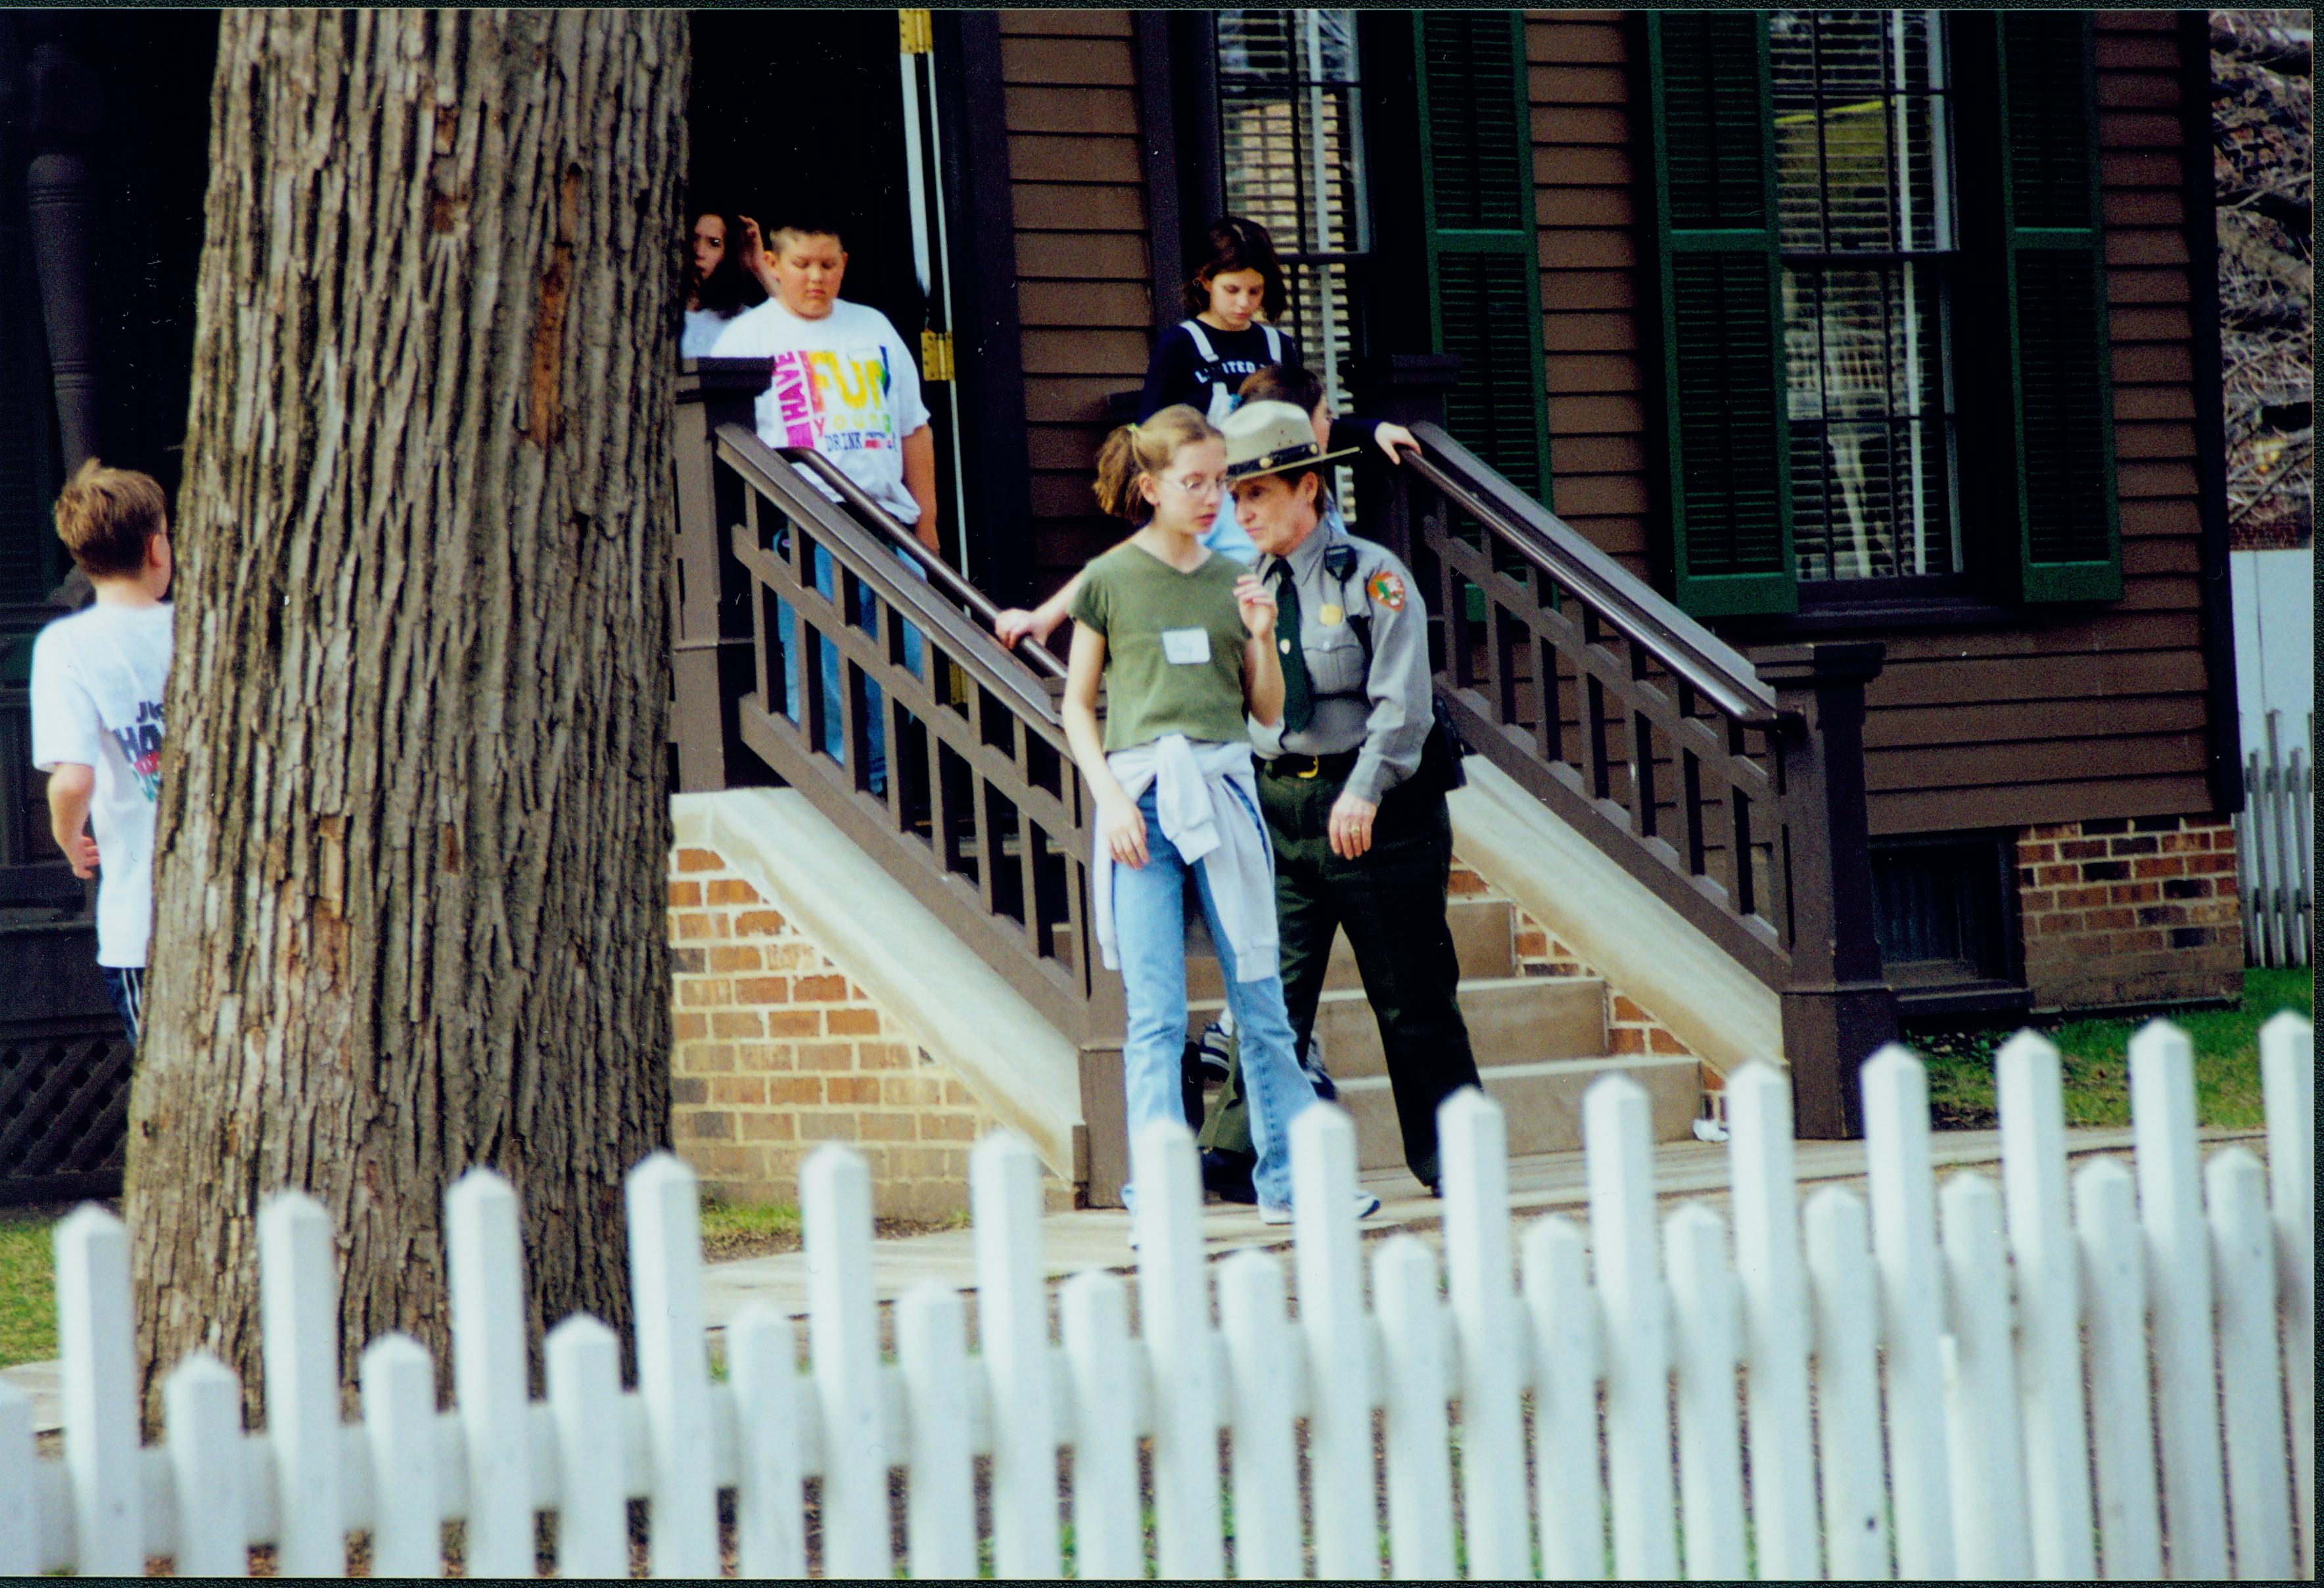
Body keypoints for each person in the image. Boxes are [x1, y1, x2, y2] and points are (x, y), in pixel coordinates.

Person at [1062, 404, 1378, 1227]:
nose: (1211, 499)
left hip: (1224, 793)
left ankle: (1291, 1183)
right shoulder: (1108, 578)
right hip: (1141, 802)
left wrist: (1263, 636)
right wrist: (1110, 800)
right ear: (1150, 486)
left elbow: (1264, 713)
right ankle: (1157, 1200)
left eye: (1221, 483)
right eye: (1194, 483)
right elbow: (1075, 705)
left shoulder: (1233, 581)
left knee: (1262, 1003)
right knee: (1156, 1015)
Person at [1199, 399, 1483, 1198]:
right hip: (1280, 812)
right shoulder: (1242, 586)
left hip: (1377, 813)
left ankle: (1453, 1157)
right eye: (1234, 494)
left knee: (1411, 995)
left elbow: (1404, 707)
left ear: (1307, 490)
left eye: (1258, 493)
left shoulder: (1371, 577)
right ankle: (1233, 1153)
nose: (1241, 510)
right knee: (1269, 991)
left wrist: (1362, 793)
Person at [709, 218, 937, 793]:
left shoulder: (873, 327)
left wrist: (928, 525)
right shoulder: (747, 338)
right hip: (805, 522)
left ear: (843, 264)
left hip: (887, 523)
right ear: (775, 265)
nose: (816, 277)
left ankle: (877, 777)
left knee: (911, 656)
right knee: (825, 666)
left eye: (828, 265)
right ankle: (842, 780)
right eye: (803, 264)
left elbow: (915, 429)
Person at [30, 460, 174, 1048]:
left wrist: (69, 839)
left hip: (140, 924)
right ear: (156, 547)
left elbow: (71, 781)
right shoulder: (202, 627)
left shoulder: (67, 644)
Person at [678, 208, 764, 357]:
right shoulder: (660, 312)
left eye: (714, 243)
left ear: (726, 254)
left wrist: (760, 268)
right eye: (694, 238)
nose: (699, 252)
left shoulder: (743, 319)